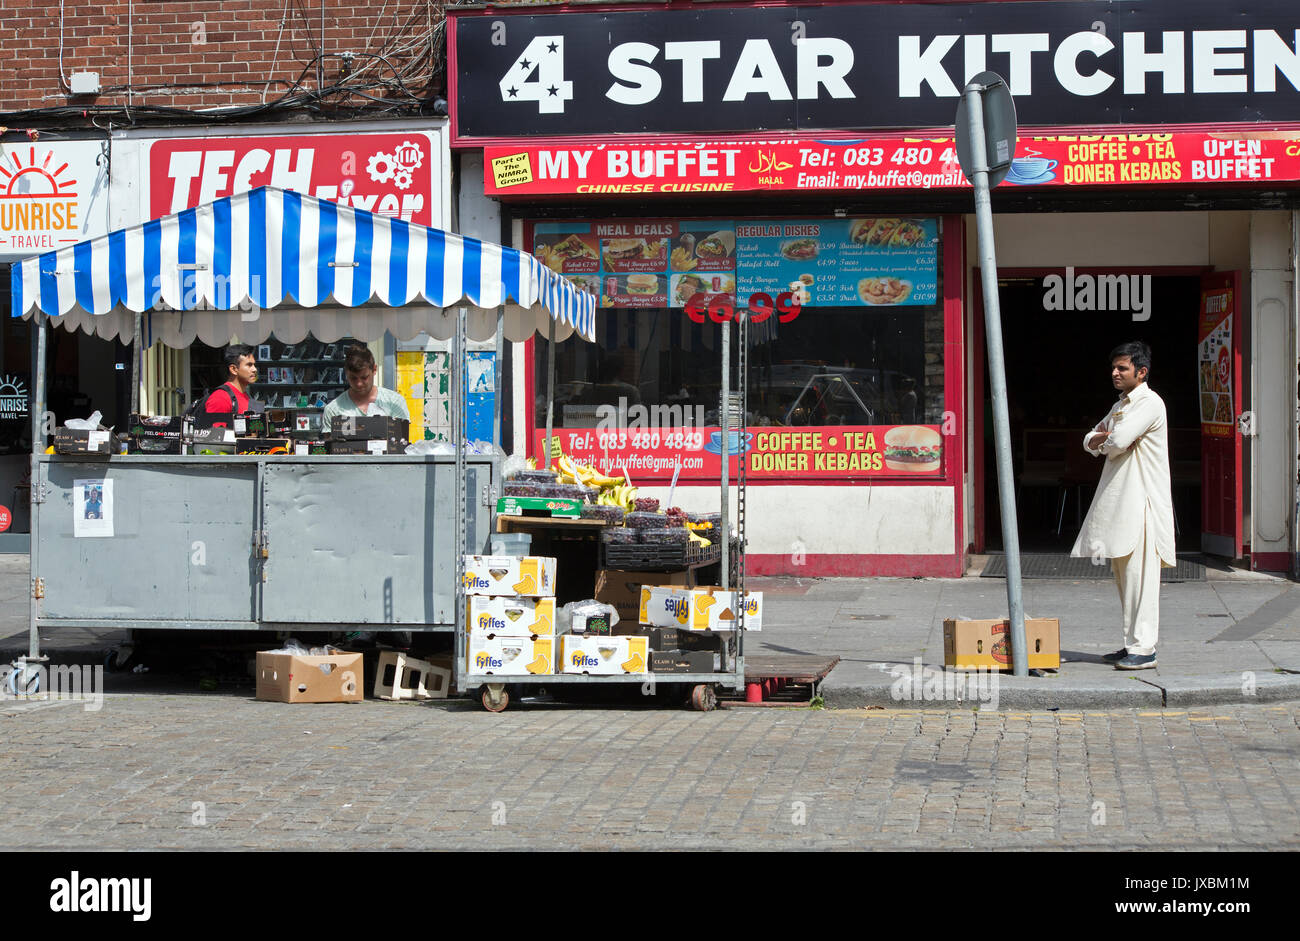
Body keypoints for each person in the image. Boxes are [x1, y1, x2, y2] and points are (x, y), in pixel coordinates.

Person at [1069, 341, 1175, 670]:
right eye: (1114, 367)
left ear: (1141, 372)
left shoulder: (1148, 402)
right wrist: (1104, 437)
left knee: (1140, 579)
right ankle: (1132, 643)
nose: (1115, 373)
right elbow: (1090, 439)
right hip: (1122, 504)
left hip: (1143, 504)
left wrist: (1106, 437)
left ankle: (1145, 648)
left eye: (1123, 368)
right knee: (1124, 577)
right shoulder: (1122, 404)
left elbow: (1116, 440)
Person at [321, 344, 411, 426]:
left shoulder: (395, 402)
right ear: (346, 374)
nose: (359, 384)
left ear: (374, 370)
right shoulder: (332, 410)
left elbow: (402, 440)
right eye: (353, 378)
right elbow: (331, 443)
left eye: (364, 377)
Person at [202, 344, 263, 427]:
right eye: (249, 365)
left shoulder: (246, 395)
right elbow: (214, 437)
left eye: (254, 365)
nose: (254, 369)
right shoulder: (221, 397)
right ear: (234, 369)